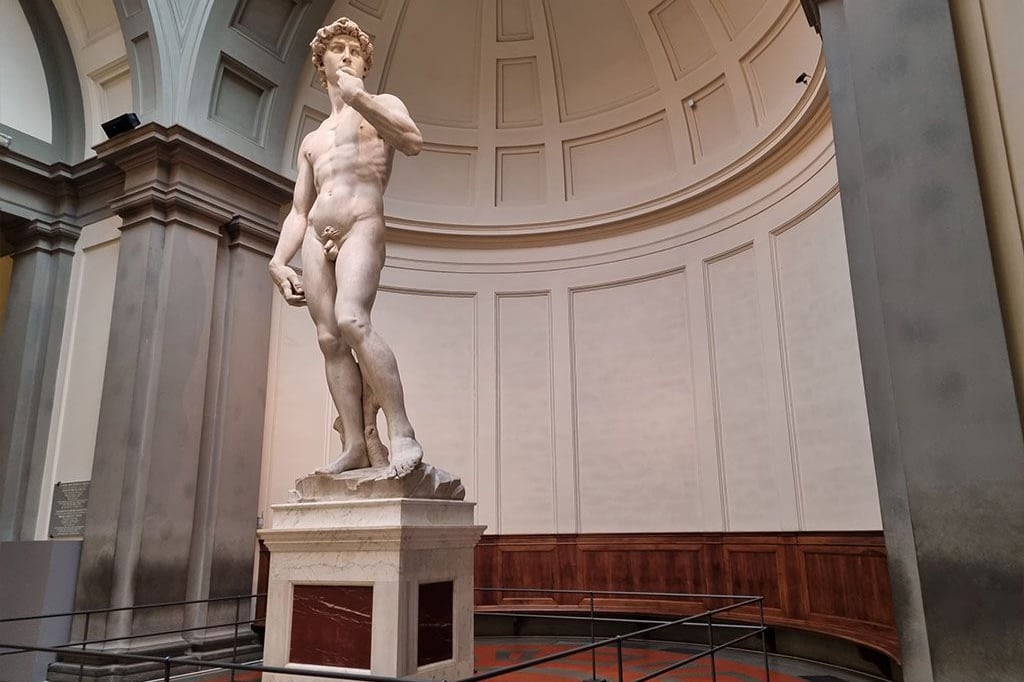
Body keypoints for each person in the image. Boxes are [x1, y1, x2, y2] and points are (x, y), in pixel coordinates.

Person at [268, 17, 424, 479]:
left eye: (355, 51)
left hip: (361, 222)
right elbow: (299, 210)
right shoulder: (312, 139)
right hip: (317, 234)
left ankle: (402, 432)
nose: (348, 55)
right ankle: (355, 443)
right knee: (328, 338)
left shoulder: (381, 105)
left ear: (365, 64)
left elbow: (412, 142)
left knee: (352, 319)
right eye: (338, 49)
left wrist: (359, 98)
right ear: (321, 64)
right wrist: (278, 261)